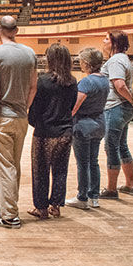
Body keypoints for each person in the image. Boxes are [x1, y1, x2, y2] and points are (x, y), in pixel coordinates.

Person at [0, 16, 37, 229]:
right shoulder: (30, 53)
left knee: (4, 168)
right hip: (21, 118)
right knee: (13, 165)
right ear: (17, 30)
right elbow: (33, 88)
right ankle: (9, 205)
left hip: (1, 118)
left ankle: (10, 216)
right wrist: (25, 108)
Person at [27, 44, 77, 219]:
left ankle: (41, 208)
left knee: (40, 170)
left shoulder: (43, 81)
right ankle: (55, 206)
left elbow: (35, 108)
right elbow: (71, 106)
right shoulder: (72, 81)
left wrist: (33, 122)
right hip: (65, 131)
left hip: (45, 132)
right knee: (60, 170)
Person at [100, 30, 133, 199]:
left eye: (106, 39)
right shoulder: (123, 59)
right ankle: (130, 185)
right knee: (122, 145)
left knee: (111, 147)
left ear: (115, 43)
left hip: (115, 107)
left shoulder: (115, 60)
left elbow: (119, 85)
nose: (103, 41)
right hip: (123, 108)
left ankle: (111, 189)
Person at [66, 48, 109, 210]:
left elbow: (75, 106)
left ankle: (82, 197)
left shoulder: (86, 82)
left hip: (83, 125)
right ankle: (94, 197)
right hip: (99, 124)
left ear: (86, 63)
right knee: (93, 162)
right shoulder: (105, 80)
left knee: (82, 163)